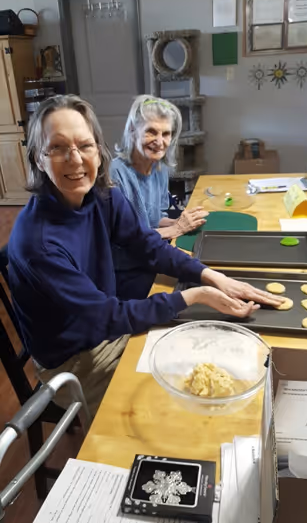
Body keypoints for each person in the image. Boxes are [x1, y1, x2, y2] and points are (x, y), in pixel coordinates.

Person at [8, 95, 282, 417]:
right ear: (38, 159)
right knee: (177, 405)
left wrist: (212, 276)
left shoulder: (102, 197)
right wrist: (195, 295)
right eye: (57, 147)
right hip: (75, 359)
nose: (75, 159)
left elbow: (147, 245)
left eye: (85, 145)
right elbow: (107, 316)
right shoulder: (38, 245)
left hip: (107, 327)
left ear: (99, 149)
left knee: (208, 356)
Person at [110, 95, 209, 298]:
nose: (159, 141)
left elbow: (154, 219)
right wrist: (176, 228)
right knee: (186, 291)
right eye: (151, 132)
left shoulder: (160, 169)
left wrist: (177, 221)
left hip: (151, 255)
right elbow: (128, 239)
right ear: (132, 131)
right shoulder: (116, 174)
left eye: (166, 134)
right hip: (126, 270)